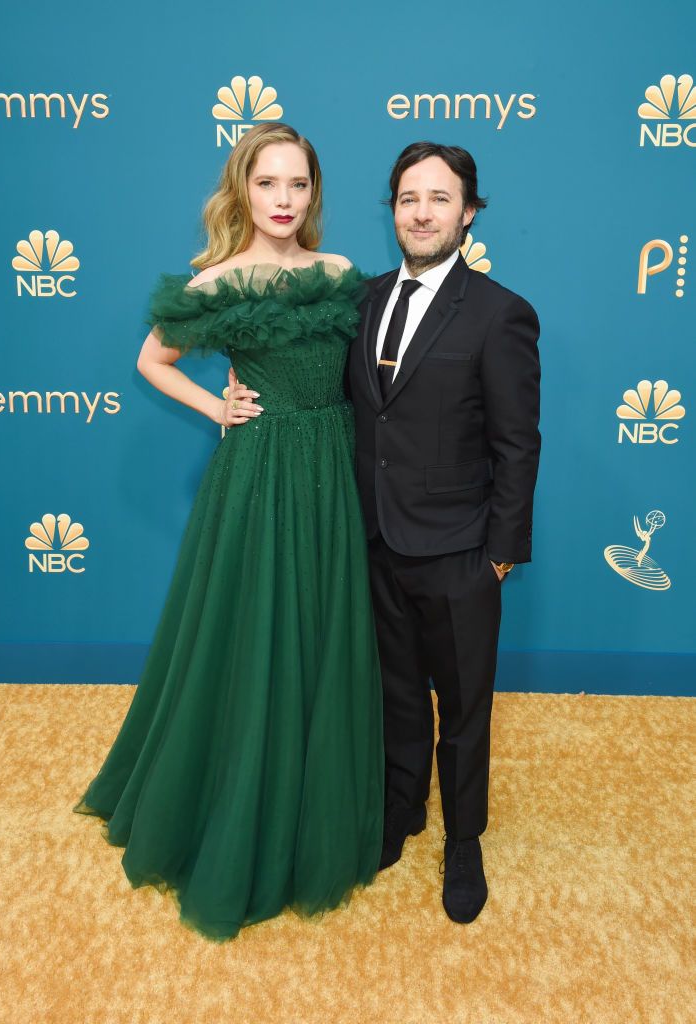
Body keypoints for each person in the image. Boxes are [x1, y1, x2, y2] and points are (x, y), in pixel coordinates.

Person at [74, 123, 384, 942]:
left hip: (333, 466)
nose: (284, 201)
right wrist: (220, 407)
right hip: (262, 475)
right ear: (241, 190)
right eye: (268, 184)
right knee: (256, 639)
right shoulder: (219, 280)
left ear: (315, 192)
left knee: (322, 633)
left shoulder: (339, 274)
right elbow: (152, 359)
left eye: (299, 185)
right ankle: (238, 814)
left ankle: (316, 800)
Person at [346, 142, 541, 924]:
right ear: (392, 209)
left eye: (438, 198)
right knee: (394, 693)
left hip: (460, 550)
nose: (420, 212)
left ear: (467, 212)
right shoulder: (357, 302)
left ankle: (464, 839)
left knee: (461, 706)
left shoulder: (500, 313)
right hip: (374, 540)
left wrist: (498, 554)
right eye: (406, 198)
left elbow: (517, 444)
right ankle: (402, 811)